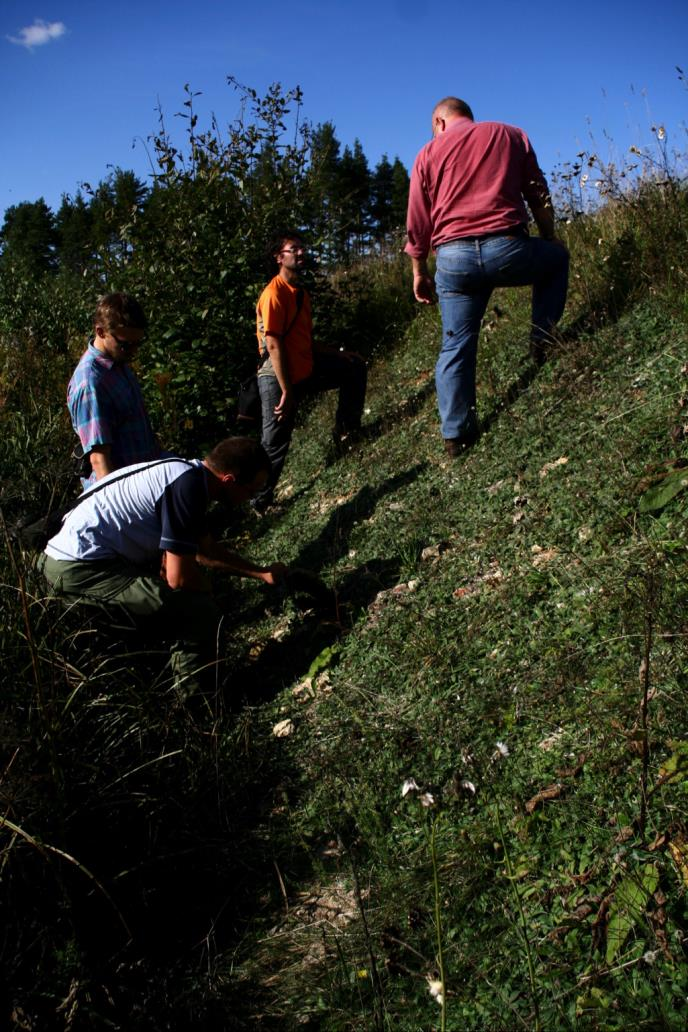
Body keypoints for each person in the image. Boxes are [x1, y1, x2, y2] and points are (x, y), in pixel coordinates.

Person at [42, 437, 286, 698]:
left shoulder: (187, 473)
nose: (250, 498)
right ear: (229, 481)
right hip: (77, 568)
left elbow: (205, 551)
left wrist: (261, 573)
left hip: (68, 559)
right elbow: (178, 580)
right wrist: (205, 589)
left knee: (183, 600)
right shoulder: (188, 487)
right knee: (198, 612)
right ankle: (199, 707)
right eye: (251, 490)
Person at [405, 97, 569, 457]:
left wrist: (419, 271)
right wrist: (548, 236)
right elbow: (537, 194)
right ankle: (542, 342)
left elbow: (417, 221)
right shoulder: (510, 135)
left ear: (439, 121)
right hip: (507, 249)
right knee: (556, 260)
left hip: (453, 261)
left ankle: (455, 436)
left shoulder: (427, 155)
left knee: (456, 344)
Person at [252, 232, 368, 513]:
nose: (301, 253)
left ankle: (346, 436)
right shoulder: (273, 293)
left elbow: (303, 341)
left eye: (302, 248)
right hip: (278, 377)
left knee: (354, 368)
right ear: (279, 258)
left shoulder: (300, 295)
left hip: (304, 368)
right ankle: (259, 502)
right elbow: (273, 343)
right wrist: (288, 390)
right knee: (275, 441)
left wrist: (340, 355)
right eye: (294, 249)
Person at [68, 292, 162, 484]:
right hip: (121, 498)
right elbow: (99, 460)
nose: (133, 351)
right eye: (126, 345)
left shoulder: (118, 364)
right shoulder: (91, 383)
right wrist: (121, 510)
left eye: (138, 344)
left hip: (142, 487)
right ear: (101, 332)